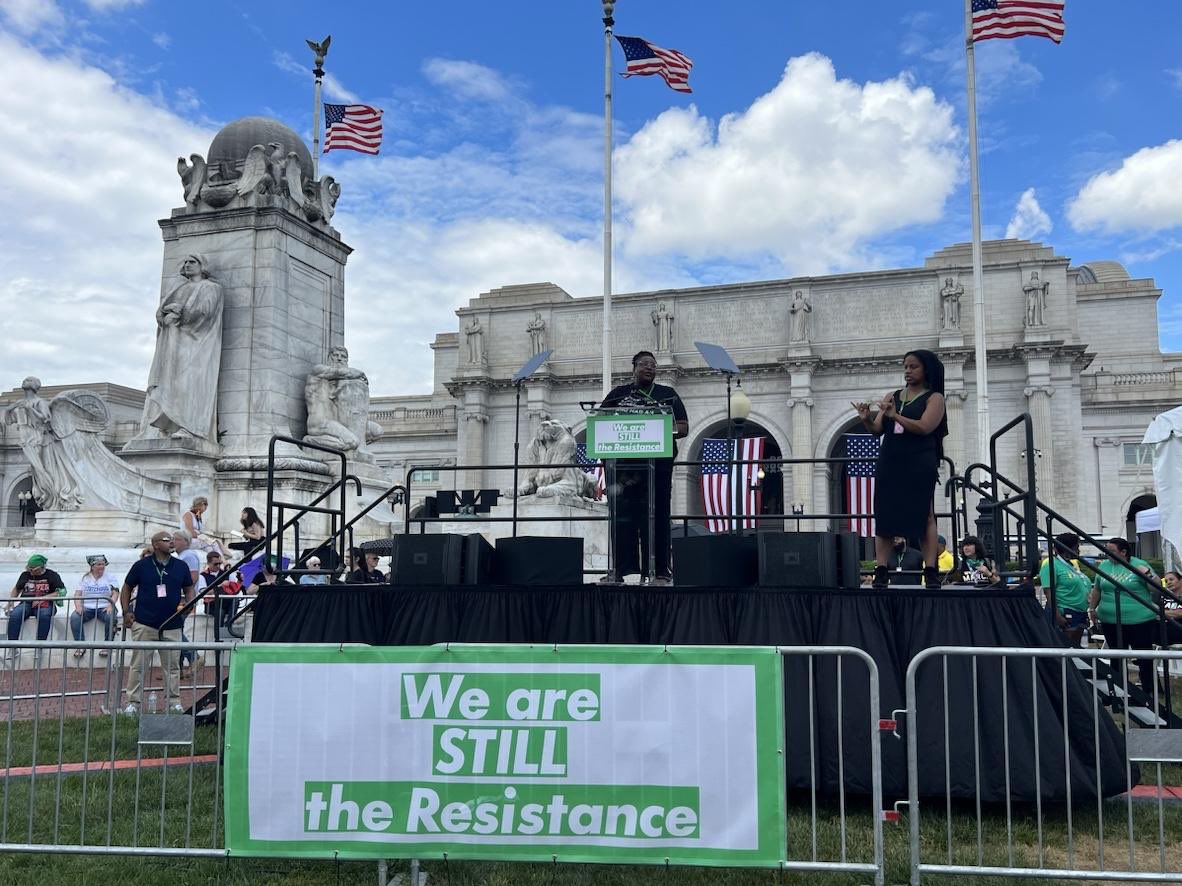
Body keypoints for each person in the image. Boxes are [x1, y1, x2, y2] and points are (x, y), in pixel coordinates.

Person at [852, 350, 948, 589]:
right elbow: (877, 429)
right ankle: (881, 569)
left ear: (926, 369)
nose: (907, 371)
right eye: (905, 366)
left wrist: (896, 416)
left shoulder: (934, 398)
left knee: (925, 515)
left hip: (919, 462)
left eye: (913, 366)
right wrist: (865, 418)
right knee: (885, 515)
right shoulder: (893, 396)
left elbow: (925, 427)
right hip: (891, 460)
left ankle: (931, 571)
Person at [599, 350, 689, 585]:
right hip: (623, 469)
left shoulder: (667, 394)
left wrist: (659, 428)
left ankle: (660, 570)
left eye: (653, 364)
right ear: (634, 368)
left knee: (658, 515)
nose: (650, 368)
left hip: (657, 467)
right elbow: (599, 423)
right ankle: (620, 569)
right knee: (622, 518)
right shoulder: (617, 394)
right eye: (644, 364)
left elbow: (682, 427)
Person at [120, 531, 193, 715]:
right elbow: (127, 586)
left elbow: (189, 588)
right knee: (138, 666)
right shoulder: (141, 565)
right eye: (167, 540)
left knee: (173, 667)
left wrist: (189, 605)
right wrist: (126, 610)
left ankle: (173, 702)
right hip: (145, 623)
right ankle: (133, 703)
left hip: (172, 624)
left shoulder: (181, 566)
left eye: (172, 540)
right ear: (156, 544)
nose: (171, 543)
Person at [1088, 537, 1159, 694]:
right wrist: (1092, 609)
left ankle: (1149, 692)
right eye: (1106, 549)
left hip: (1139, 621)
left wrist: (1146, 574)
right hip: (1110, 620)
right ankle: (1119, 691)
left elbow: (1157, 587)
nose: (1107, 553)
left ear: (1124, 552)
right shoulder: (1104, 566)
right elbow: (1097, 589)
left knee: (1143, 657)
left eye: (1111, 550)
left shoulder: (1138, 564)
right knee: (1117, 656)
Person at [1039, 533, 1091, 645]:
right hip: (1065, 612)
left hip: (1079, 612)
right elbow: (1048, 593)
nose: (1078, 551)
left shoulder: (1071, 565)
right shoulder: (1051, 565)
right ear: (1066, 549)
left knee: (1075, 647)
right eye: (1076, 548)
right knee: (1066, 647)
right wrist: (1057, 615)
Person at [6, 553, 66, 642]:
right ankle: (12, 646)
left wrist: (44, 598)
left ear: (41, 568)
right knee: (15, 615)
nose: (31, 572)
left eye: (34, 570)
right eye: (30, 570)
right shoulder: (25, 575)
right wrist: (10, 603)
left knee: (44, 615)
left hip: (45, 604)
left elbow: (61, 591)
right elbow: (17, 589)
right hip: (26, 603)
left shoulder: (52, 575)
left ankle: (40, 645)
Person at [70, 554, 117, 656]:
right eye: (99, 564)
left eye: (103, 564)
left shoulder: (110, 577)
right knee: (75, 617)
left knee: (111, 617)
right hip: (87, 607)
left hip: (104, 606)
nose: (102, 567)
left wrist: (111, 605)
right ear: (92, 566)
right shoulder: (85, 578)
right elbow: (77, 594)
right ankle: (80, 646)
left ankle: (107, 646)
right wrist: (78, 606)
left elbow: (116, 593)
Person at [169, 530, 203, 674]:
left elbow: (193, 577)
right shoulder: (184, 556)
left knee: (174, 631)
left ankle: (193, 656)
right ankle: (180, 668)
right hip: (182, 598)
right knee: (177, 629)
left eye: (176, 539)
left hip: (183, 599)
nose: (173, 542)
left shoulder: (188, 555)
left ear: (185, 541)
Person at [201, 551, 243, 639]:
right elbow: (203, 592)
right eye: (215, 564)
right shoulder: (203, 576)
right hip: (212, 604)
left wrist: (240, 581)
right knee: (220, 611)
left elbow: (235, 590)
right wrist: (220, 585)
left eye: (220, 563)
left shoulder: (226, 573)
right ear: (208, 563)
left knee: (235, 600)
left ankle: (228, 625)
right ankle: (219, 635)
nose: (218, 566)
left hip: (226, 602)